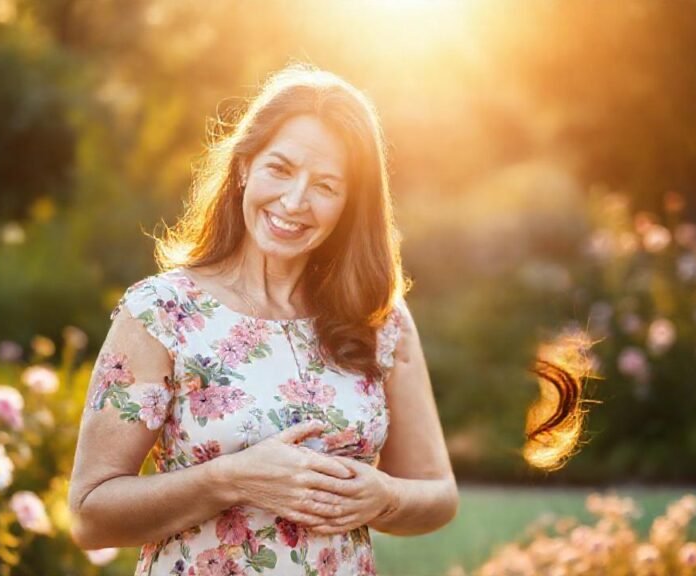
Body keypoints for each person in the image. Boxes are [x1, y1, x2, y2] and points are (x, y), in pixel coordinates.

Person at [68, 62, 458, 575]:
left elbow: (439, 495)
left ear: (348, 204)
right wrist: (230, 479)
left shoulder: (379, 319)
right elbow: (89, 516)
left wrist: (382, 496)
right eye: (280, 168)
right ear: (244, 166)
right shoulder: (161, 312)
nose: (295, 201)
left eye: (325, 185)